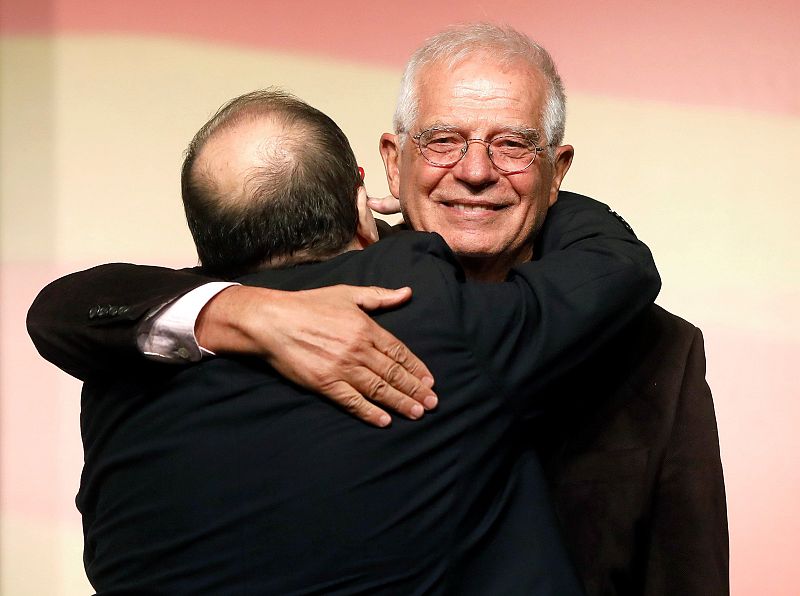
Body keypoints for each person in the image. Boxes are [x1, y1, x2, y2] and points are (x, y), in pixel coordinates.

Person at [27, 24, 728, 595]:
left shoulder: (657, 352)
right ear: (390, 164)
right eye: (443, 142)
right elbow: (67, 309)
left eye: (514, 145)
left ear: (557, 170)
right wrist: (241, 311)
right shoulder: (194, 324)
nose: (477, 171)